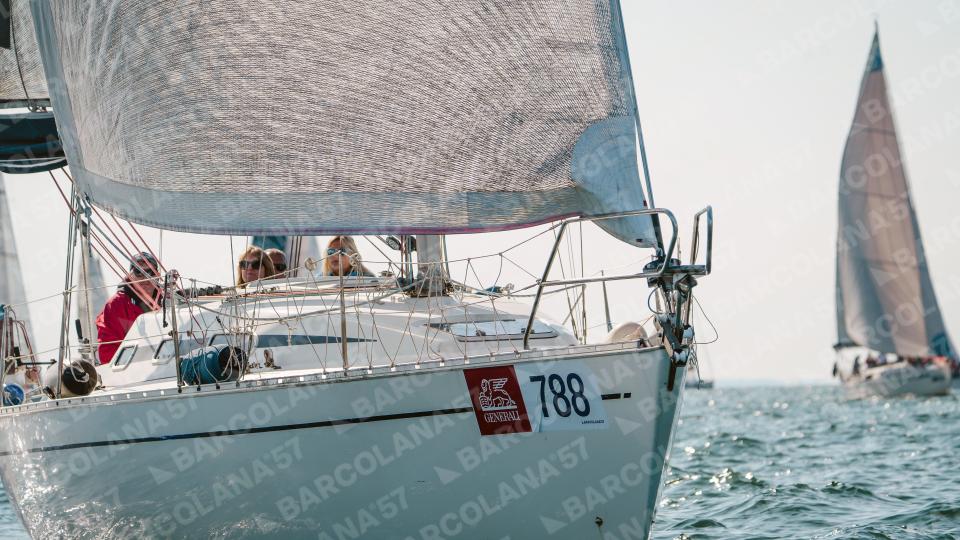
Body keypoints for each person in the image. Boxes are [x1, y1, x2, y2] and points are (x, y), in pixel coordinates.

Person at [95, 252, 162, 365]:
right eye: (138, 272)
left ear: (157, 276)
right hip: (129, 368)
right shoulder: (116, 304)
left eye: (150, 272)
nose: (145, 278)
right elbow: (107, 354)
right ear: (131, 276)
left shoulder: (168, 301)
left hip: (164, 364)